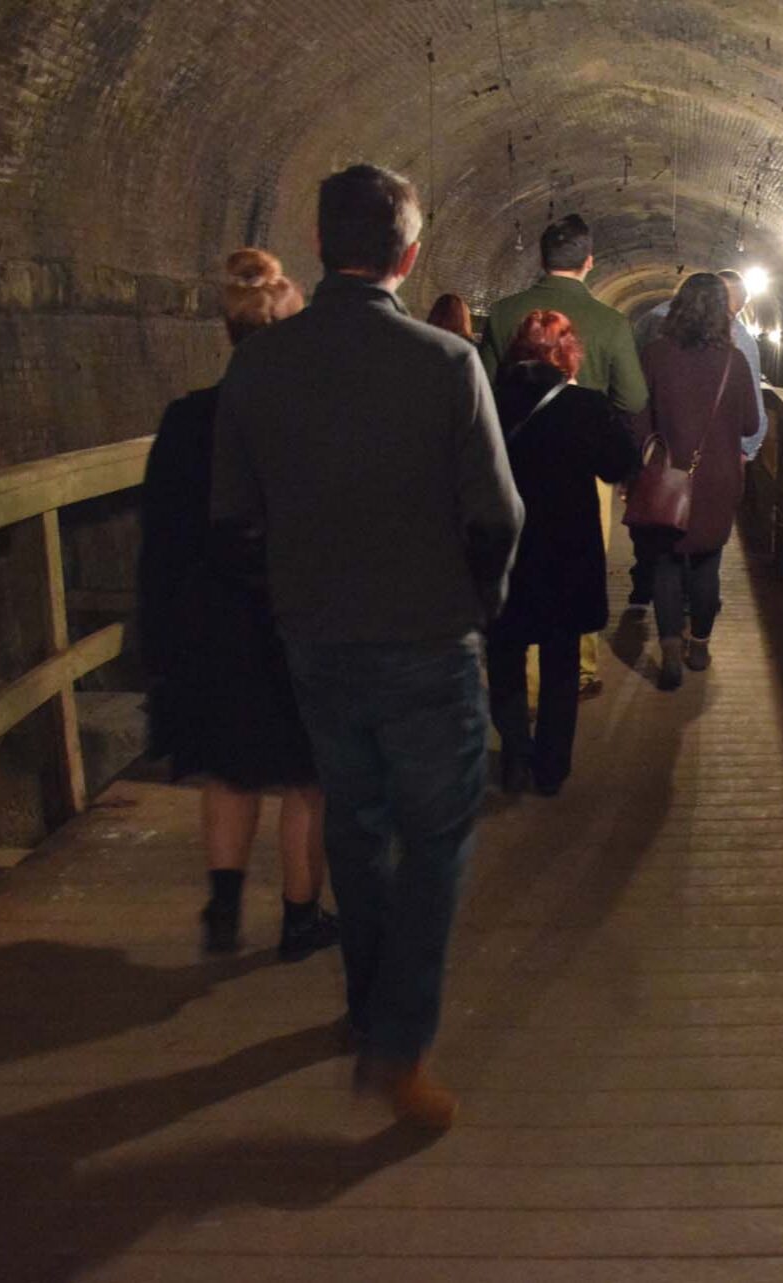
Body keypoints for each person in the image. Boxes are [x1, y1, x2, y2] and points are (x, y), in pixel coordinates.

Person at [211, 164, 523, 1130]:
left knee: (356, 821)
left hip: (319, 641)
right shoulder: (444, 363)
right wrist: (483, 598)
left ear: (319, 244)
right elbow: (497, 513)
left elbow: (232, 519)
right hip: (429, 639)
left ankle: (363, 1006)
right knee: (434, 839)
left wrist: (292, 595)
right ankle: (397, 1044)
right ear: (409, 255)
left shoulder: (257, 366)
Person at [137, 249, 338, 963]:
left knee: (229, 767)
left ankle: (223, 906)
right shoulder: (313, 420)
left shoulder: (187, 418)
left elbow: (161, 534)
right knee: (306, 779)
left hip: (212, 622)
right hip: (294, 619)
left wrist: (157, 636)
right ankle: (298, 918)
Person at [480, 215, 647, 698]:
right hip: (580, 464)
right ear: (589, 262)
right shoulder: (611, 322)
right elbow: (633, 398)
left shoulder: (504, 312)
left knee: (521, 556)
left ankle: (525, 678)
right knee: (579, 558)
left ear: (541, 258)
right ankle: (581, 667)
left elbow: (487, 390)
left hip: (513, 459)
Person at [486, 311, 641, 796]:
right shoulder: (584, 405)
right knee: (560, 659)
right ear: (567, 352)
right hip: (564, 550)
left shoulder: (487, 401)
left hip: (504, 549)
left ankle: (515, 754)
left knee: (505, 656)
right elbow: (621, 463)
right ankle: (551, 766)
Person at [627, 273, 760, 690]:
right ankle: (699, 643)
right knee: (707, 563)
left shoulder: (654, 354)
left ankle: (668, 647)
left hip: (666, 477)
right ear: (724, 310)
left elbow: (637, 417)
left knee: (665, 562)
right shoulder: (734, 360)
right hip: (717, 479)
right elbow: (752, 422)